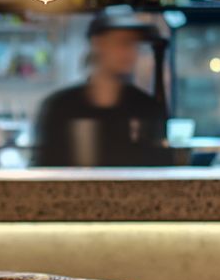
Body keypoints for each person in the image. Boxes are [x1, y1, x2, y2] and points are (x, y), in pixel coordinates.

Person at [30, 12, 171, 167]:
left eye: (134, 45)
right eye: (123, 43)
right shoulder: (60, 107)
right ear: (98, 43)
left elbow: (158, 170)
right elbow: (45, 170)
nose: (131, 53)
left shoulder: (146, 108)